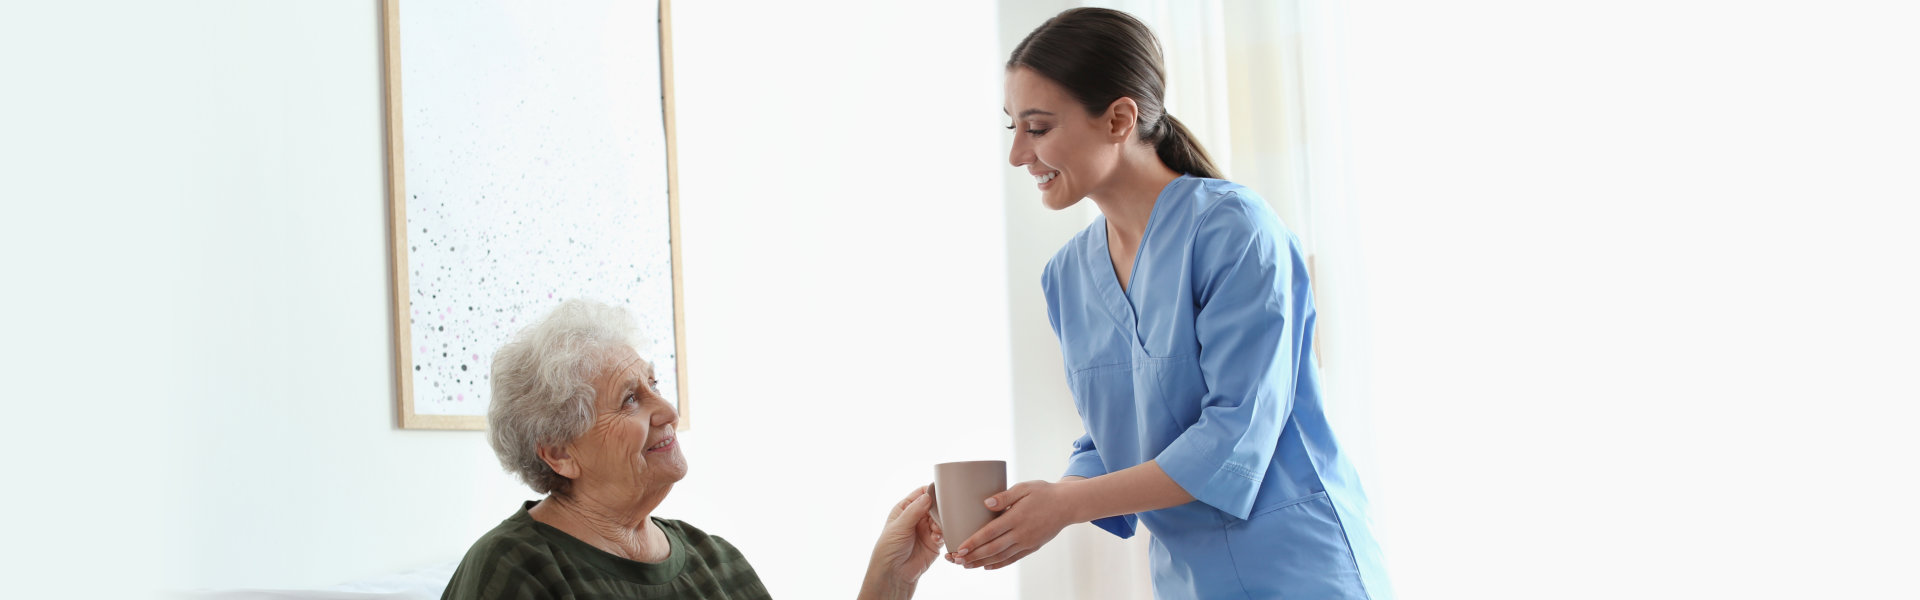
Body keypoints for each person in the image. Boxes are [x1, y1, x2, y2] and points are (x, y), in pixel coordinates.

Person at [947, 7, 1392, 598]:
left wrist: (1067, 505)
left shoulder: (1234, 229)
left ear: (1119, 119)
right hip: (1187, 581)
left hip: (1299, 568)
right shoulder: (1067, 276)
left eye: (1038, 128)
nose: (1018, 156)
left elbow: (1236, 432)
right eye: (1013, 129)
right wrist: (1030, 510)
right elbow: (1112, 435)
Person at [443, 299, 942, 600]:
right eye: (631, 399)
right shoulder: (516, 567)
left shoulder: (714, 561)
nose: (667, 410)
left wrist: (890, 578)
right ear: (559, 453)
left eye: (655, 384)